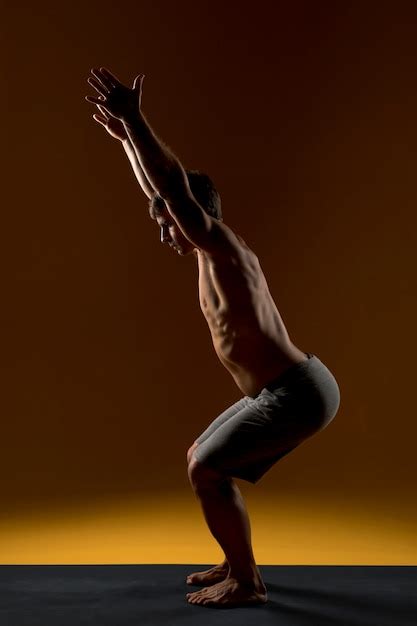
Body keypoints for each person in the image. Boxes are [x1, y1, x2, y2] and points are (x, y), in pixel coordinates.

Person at [85, 67, 341, 609]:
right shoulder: (207, 251)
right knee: (199, 456)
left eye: (170, 223)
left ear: (195, 217)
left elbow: (173, 187)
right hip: (281, 390)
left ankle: (247, 583)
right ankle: (236, 560)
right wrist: (126, 141)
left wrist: (137, 120)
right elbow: (163, 191)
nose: (164, 233)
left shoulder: (222, 246)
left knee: (207, 468)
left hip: (297, 392)